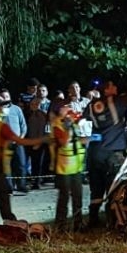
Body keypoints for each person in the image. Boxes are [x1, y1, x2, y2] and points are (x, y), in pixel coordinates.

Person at [0, 96, 47, 239]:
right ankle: (15, 231)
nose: (4, 108)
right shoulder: (0, 126)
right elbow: (20, 141)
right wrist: (44, 139)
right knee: (4, 203)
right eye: (2, 106)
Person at [83, 77, 127, 228]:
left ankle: (93, 220)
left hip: (95, 152)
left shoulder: (91, 105)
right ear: (106, 90)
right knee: (114, 189)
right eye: (113, 86)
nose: (116, 88)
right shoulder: (117, 102)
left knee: (96, 189)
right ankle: (112, 222)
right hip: (113, 153)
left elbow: (83, 119)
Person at [50, 97, 87, 231]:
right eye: (66, 106)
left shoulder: (72, 121)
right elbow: (64, 142)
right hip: (63, 168)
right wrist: (67, 124)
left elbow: (79, 137)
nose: (69, 107)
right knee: (64, 198)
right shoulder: (57, 124)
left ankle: (78, 223)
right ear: (60, 109)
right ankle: (61, 225)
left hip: (76, 166)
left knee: (78, 198)